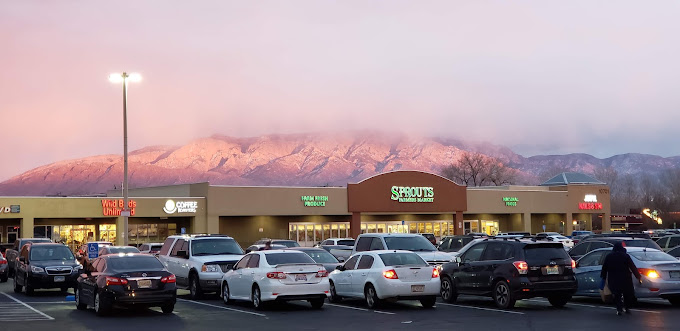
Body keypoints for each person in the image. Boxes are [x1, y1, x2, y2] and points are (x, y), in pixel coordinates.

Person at [600, 242, 642, 315]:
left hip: (613, 278)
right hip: (625, 278)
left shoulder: (609, 256)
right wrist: (638, 277)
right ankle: (627, 307)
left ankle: (619, 309)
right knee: (627, 294)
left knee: (617, 295)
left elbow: (604, 268)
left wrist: (603, 277)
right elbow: (632, 267)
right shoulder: (625, 256)